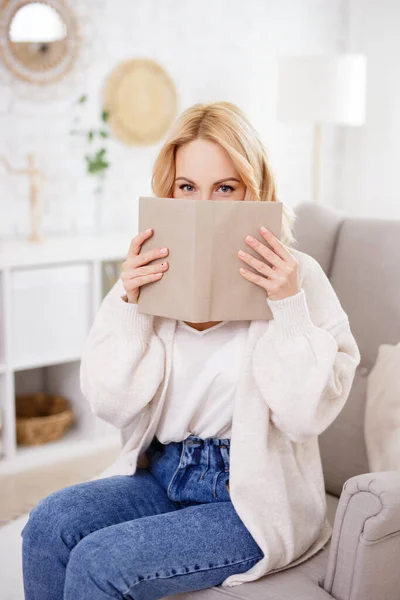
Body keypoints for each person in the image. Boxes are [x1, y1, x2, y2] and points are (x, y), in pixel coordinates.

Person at [21, 101, 361, 600]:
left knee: (100, 561)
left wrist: (286, 306)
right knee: (47, 525)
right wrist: (132, 306)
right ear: (169, 191)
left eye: (225, 188)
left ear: (255, 188)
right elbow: (110, 405)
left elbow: (305, 416)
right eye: (188, 188)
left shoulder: (299, 276)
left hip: (249, 498)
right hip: (164, 470)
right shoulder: (148, 272)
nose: (204, 206)